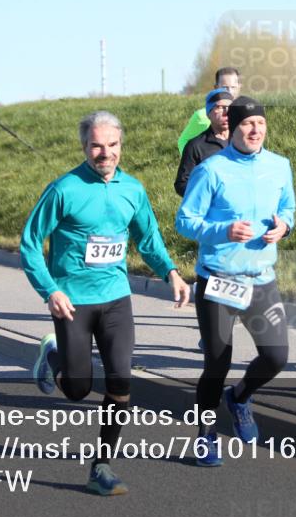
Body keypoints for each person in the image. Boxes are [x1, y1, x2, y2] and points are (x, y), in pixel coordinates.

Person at [20, 110, 191, 496]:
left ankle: (101, 466)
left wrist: (172, 274)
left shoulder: (133, 189)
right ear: (84, 147)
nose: (105, 153)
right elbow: (30, 243)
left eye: (112, 145)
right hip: (72, 302)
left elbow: (148, 239)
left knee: (120, 381)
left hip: (115, 299)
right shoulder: (64, 189)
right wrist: (50, 290)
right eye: (96, 145)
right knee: (78, 389)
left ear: (121, 146)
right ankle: (52, 355)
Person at [176, 96, 295, 466]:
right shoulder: (211, 170)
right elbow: (185, 220)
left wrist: (285, 225)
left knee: (276, 356)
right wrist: (224, 230)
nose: (255, 129)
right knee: (217, 362)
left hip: (262, 277)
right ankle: (206, 435)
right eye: (248, 124)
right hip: (218, 279)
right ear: (234, 128)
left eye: (260, 123)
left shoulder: (279, 165)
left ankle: (240, 397)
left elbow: (289, 207)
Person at [173, 88, 232, 196]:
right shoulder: (195, 146)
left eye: (230, 107)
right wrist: (207, 196)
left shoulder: (243, 142)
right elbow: (181, 184)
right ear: (208, 113)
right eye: (219, 107)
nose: (226, 112)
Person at [176, 67, 242, 155]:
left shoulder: (244, 115)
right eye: (225, 87)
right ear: (216, 87)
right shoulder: (201, 116)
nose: (229, 91)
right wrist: (194, 161)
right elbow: (183, 141)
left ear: (239, 87)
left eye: (233, 87)